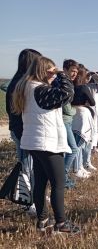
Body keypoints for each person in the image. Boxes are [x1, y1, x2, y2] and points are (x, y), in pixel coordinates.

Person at [12, 56, 80, 233]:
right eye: (51, 71)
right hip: (47, 143)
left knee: (41, 183)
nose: (53, 74)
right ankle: (61, 223)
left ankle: (43, 220)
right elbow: (67, 94)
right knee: (58, 184)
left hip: (35, 143)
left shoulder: (27, 87)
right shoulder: (40, 90)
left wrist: (55, 77)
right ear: (43, 71)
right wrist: (63, 75)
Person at [5, 49, 42, 215]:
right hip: (22, 131)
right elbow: (16, 113)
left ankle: (35, 196)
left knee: (31, 166)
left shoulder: (21, 81)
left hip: (24, 131)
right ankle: (28, 202)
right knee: (27, 167)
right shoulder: (20, 84)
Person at [71, 65, 95, 177]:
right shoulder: (83, 87)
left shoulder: (70, 86)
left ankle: (79, 166)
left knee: (76, 142)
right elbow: (92, 102)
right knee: (79, 143)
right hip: (81, 114)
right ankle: (77, 168)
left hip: (72, 113)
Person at [60, 59, 79, 188]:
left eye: (76, 72)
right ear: (65, 70)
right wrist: (75, 109)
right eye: (72, 71)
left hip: (67, 121)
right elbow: (67, 109)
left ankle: (62, 178)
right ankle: (63, 178)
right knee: (73, 149)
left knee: (66, 150)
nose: (74, 74)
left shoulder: (67, 83)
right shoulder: (63, 84)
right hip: (64, 122)